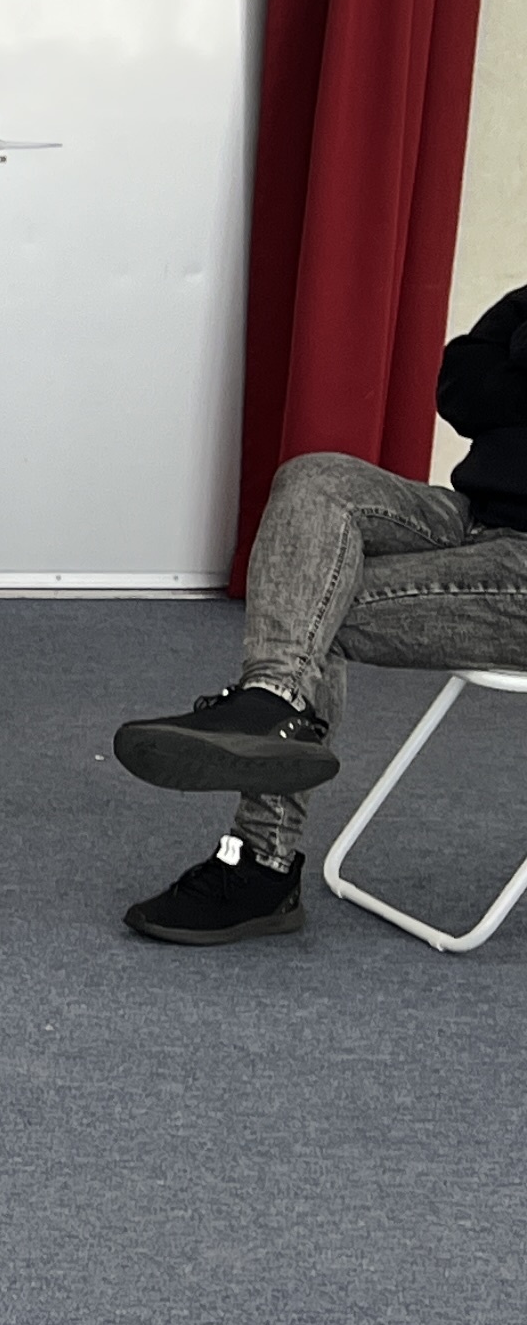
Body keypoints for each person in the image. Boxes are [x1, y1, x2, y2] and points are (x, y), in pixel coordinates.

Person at [111, 283, 527, 944]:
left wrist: (511, 368)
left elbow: (489, 382)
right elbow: (460, 388)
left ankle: (260, 864)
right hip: (475, 517)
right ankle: (274, 703)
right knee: (316, 480)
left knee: (312, 604)